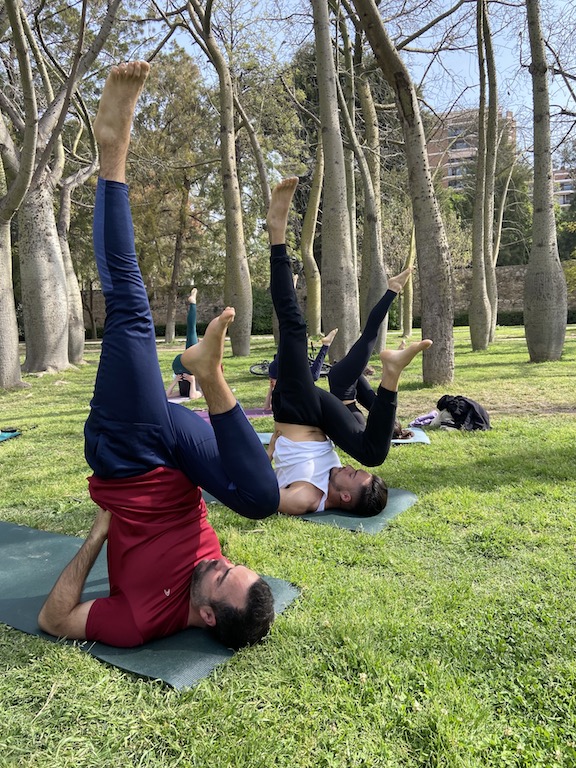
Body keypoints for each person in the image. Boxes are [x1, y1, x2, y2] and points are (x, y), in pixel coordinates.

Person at [37, 61, 279, 652]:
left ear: (207, 618)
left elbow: (53, 620)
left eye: (220, 575)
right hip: (181, 466)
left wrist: (99, 534)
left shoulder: (143, 619)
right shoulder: (212, 569)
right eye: (230, 563)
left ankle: (112, 153)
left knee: (132, 311)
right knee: (262, 500)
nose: (216, 560)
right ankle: (207, 372)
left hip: (131, 457)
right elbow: (236, 509)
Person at [266, 177, 432, 518]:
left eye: (351, 476)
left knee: (294, 327)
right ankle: (391, 375)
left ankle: (276, 235)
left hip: (295, 410)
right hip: (320, 417)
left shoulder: (306, 497)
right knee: (373, 455)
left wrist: (260, 463)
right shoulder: (334, 479)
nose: (348, 469)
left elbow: (260, 494)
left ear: (343, 497)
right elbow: (360, 458)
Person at [263, 326, 338, 410]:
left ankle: (324, 344)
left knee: (312, 375)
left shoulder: (281, 392)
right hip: (286, 369)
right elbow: (267, 407)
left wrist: (271, 387)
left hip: (281, 369)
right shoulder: (292, 391)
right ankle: (325, 344)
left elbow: (267, 407)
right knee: (313, 375)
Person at [167, 288, 202, 400]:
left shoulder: (183, 392)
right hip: (184, 366)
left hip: (183, 366)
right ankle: (193, 303)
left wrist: (176, 380)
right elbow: (193, 395)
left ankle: (193, 303)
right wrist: (192, 381)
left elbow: (166, 395)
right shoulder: (200, 390)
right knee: (191, 331)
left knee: (191, 330)